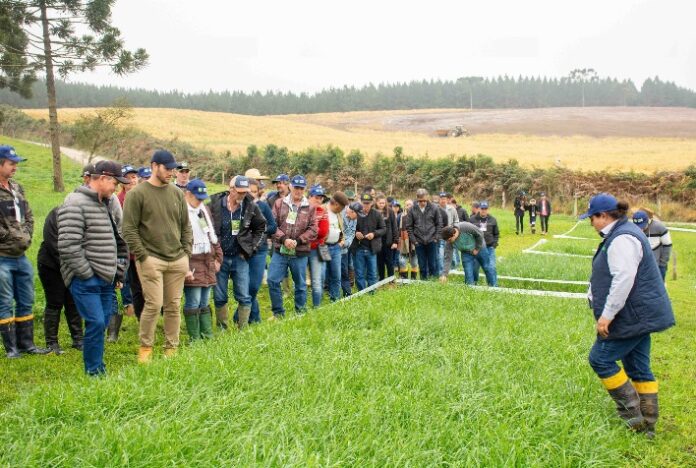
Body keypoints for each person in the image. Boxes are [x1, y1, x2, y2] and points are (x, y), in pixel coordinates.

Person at [581, 193, 675, 438]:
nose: (591, 223)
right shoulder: (621, 233)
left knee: (600, 359)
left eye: (592, 218)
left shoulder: (622, 238)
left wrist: (607, 316)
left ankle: (632, 414)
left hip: (631, 315)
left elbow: (624, 279)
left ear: (603, 216)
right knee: (638, 367)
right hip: (640, 314)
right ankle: (649, 424)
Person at [57, 160, 130, 375]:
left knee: (102, 322)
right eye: (115, 183)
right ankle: (94, 371)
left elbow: (115, 239)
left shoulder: (106, 202)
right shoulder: (75, 203)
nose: (116, 188)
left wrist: (117, 271)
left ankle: (98, 366)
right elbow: (68, 245)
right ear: (104, 179)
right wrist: (86, 274)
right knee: (96, 322)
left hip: (106, 277)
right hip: (86, 277)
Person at [122, 150, 193, 363]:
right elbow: (129, 229)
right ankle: (146, 347)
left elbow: (185, 226)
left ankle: (171, 348)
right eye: (167, 168)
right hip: (151, 259)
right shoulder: (137, 194)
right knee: (153, 304)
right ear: (154, 166)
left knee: (173, 306)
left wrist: (186, 253)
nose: (171, 172)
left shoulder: (176, 193)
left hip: (177, 258)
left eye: (173, 168)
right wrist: (143, 256)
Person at [0, 145, 49, 358]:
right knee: (4, 300)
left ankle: (26, 344)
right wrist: (9, 237)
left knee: (26, 298)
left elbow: (28, 216)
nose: (15, 168)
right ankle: (11, 349)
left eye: (16, 164)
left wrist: (26, 235)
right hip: (2, 256)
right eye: (11, 164)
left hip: (21, 256)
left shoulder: (17, 188)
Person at [208, 176, 266, 329]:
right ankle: (222, 328)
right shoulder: (215, 203)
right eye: (239, 192)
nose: (242, 195)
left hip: (240, 257)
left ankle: (242, 329)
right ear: (231, 189)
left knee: (244, 296)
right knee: (220, 296)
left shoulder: (250, 206)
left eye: (245, 192)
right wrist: (213, 253)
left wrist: (251, 248)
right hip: (220, 257)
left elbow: (261, 227)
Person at [268, 175, 318, 317]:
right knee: (272, 280)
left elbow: (314, 229)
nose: (298, 191)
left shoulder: (310, 207)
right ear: (290, 187)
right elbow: (272, 225)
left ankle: (300, 312)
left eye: (301, 188)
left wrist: (299, 240)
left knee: (300, 285)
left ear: (305, 189)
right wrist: (283, 239)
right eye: (296, 187)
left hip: (299, 252)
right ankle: (278, 313)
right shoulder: (279, 203)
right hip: (280, 251)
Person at [38, 206, 84, 354]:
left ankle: (78, 340)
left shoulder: (85, 217)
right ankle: (51, 343)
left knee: (73, 301)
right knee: (55, 302)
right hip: (51, 265)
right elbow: (52, 243)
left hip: (73, 266)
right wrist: (72, 263)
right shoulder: (56, 214)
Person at [182, 179, 222, 341]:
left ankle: (207, 335)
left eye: (202, 198)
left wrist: (218, 257)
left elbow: (211, 235)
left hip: (207, 259)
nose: (200, 201)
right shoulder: (182, 212)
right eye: (197, 197)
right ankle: (195, 338)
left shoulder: (202, 210)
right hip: (192, 260)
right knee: (194, 300)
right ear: (188, 194)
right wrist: (184, 267)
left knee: (205, 299)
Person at [107, 164, 139, 342]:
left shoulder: (142, 195)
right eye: (129, 177)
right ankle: (128, 307)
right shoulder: (118, 199)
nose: (132, 180)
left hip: (140, 248)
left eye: (134, 176)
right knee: (124, 278)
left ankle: (141, 310)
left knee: (139, 281)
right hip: (124, 247)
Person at [239, 178, 276, 323]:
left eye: (254, 192)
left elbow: (273, 226)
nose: (251, 194)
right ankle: (254, 318)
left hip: (259, 250)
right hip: (242, 250)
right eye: (249, 191)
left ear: (258, 192)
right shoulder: (238, 208)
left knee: (254, 285)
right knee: (245, 285)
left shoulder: (263, 206)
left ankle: (239, 315)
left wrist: (260, 230)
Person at [403, 188, 442, 280]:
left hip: (432, 240)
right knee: (422, 264)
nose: (423, 203)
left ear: (427, 198)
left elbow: (439, 224)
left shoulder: (434, 208)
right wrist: (414, 241)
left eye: (425, 200)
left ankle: (434, 282)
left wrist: (436, 238)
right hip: (419, 241)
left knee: (433, 263)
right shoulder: (412, 209)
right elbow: (409, 226)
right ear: (417, 199)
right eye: (420, 201)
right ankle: (424, 282)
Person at [350, 193, 386, 291]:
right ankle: (361, 292)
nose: (366, 205)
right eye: (364, 203)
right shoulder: (356, 213)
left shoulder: (377, 214)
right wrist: (356, 233)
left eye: (368, 203)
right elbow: (349, 227)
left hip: (372, 248)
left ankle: (372, 292)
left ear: (372, 203)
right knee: (359, 273)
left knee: (372, 273)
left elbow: (383, 229)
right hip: (358, 248)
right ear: (361, 202)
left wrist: (374, 234)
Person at [307, 185, 330, 307]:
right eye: (316, 197)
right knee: (299, 280)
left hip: (316, 249)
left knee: (317, 280)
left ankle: (317, 307)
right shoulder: (302, 209)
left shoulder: (323, 212)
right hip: (301, 249)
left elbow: (323, 232)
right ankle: (300, 306)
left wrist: (307, 231)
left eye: (321, 198)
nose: (319, 200)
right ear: (310, 197)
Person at [632, 210, 672, 281]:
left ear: (648, 221)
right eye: (637, 227)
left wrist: (662, 263)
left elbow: (667, 245)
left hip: (658, 266)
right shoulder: (632, 230)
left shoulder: (660, 227)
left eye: (642, 226)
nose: (640, 229)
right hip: (640, 267)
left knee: (658, 290)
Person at [324, 191, 349, 302]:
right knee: (322, 274)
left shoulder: (338, 214)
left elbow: (341, 229)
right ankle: (320, 300)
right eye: (342, 207)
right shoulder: (322, 211)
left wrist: (342, 240)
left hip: (336, 248)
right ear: (336, 204)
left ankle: (335, 299)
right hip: (323, 247)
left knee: (336, 275)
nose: (343, 210)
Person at [469, 201, 500, 283]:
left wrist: (494, 244)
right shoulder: (472, 219)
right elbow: (468, 233)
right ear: (479, 209)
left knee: (491, 267)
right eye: (482, 208)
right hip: (477, 248)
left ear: (488, 209)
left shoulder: (493, 220)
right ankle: (474, 284)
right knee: (474, 268)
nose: (483, 210)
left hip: (489, 248)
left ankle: (493, 286)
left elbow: (496, 234)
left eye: (485, 209)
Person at [375, 194, 399, 280]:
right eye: (380, 203)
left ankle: (391, 280)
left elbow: (395, 227)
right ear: (376, 202)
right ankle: (381, 280)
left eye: (383, 203)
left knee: (389, 262)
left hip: (388, 241)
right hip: (377, 241)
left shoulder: (390, 211)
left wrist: (395, 241)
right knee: (380, 262)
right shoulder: (373, 212)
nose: (382, 205)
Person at [341, 201, 359, 297]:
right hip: (336, 244)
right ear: (351, 212)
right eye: (356, 215)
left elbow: (352, 232)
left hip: (347, 245)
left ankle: (348, 288)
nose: (357, 218)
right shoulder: (340, 213)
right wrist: (341, 241)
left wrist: (347, 243)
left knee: (348, 266)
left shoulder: (355, 217)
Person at [397, 199, 419, 280]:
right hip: (403, 243)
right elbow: (397, 229)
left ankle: (413, 279)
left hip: (414, 242)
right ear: (404, 206)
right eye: (407, 205)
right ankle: (404, 279)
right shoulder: (400, 216)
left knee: (414, 262)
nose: (409, 206)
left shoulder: (418, 216)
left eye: (410, 204)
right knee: (402, 261)